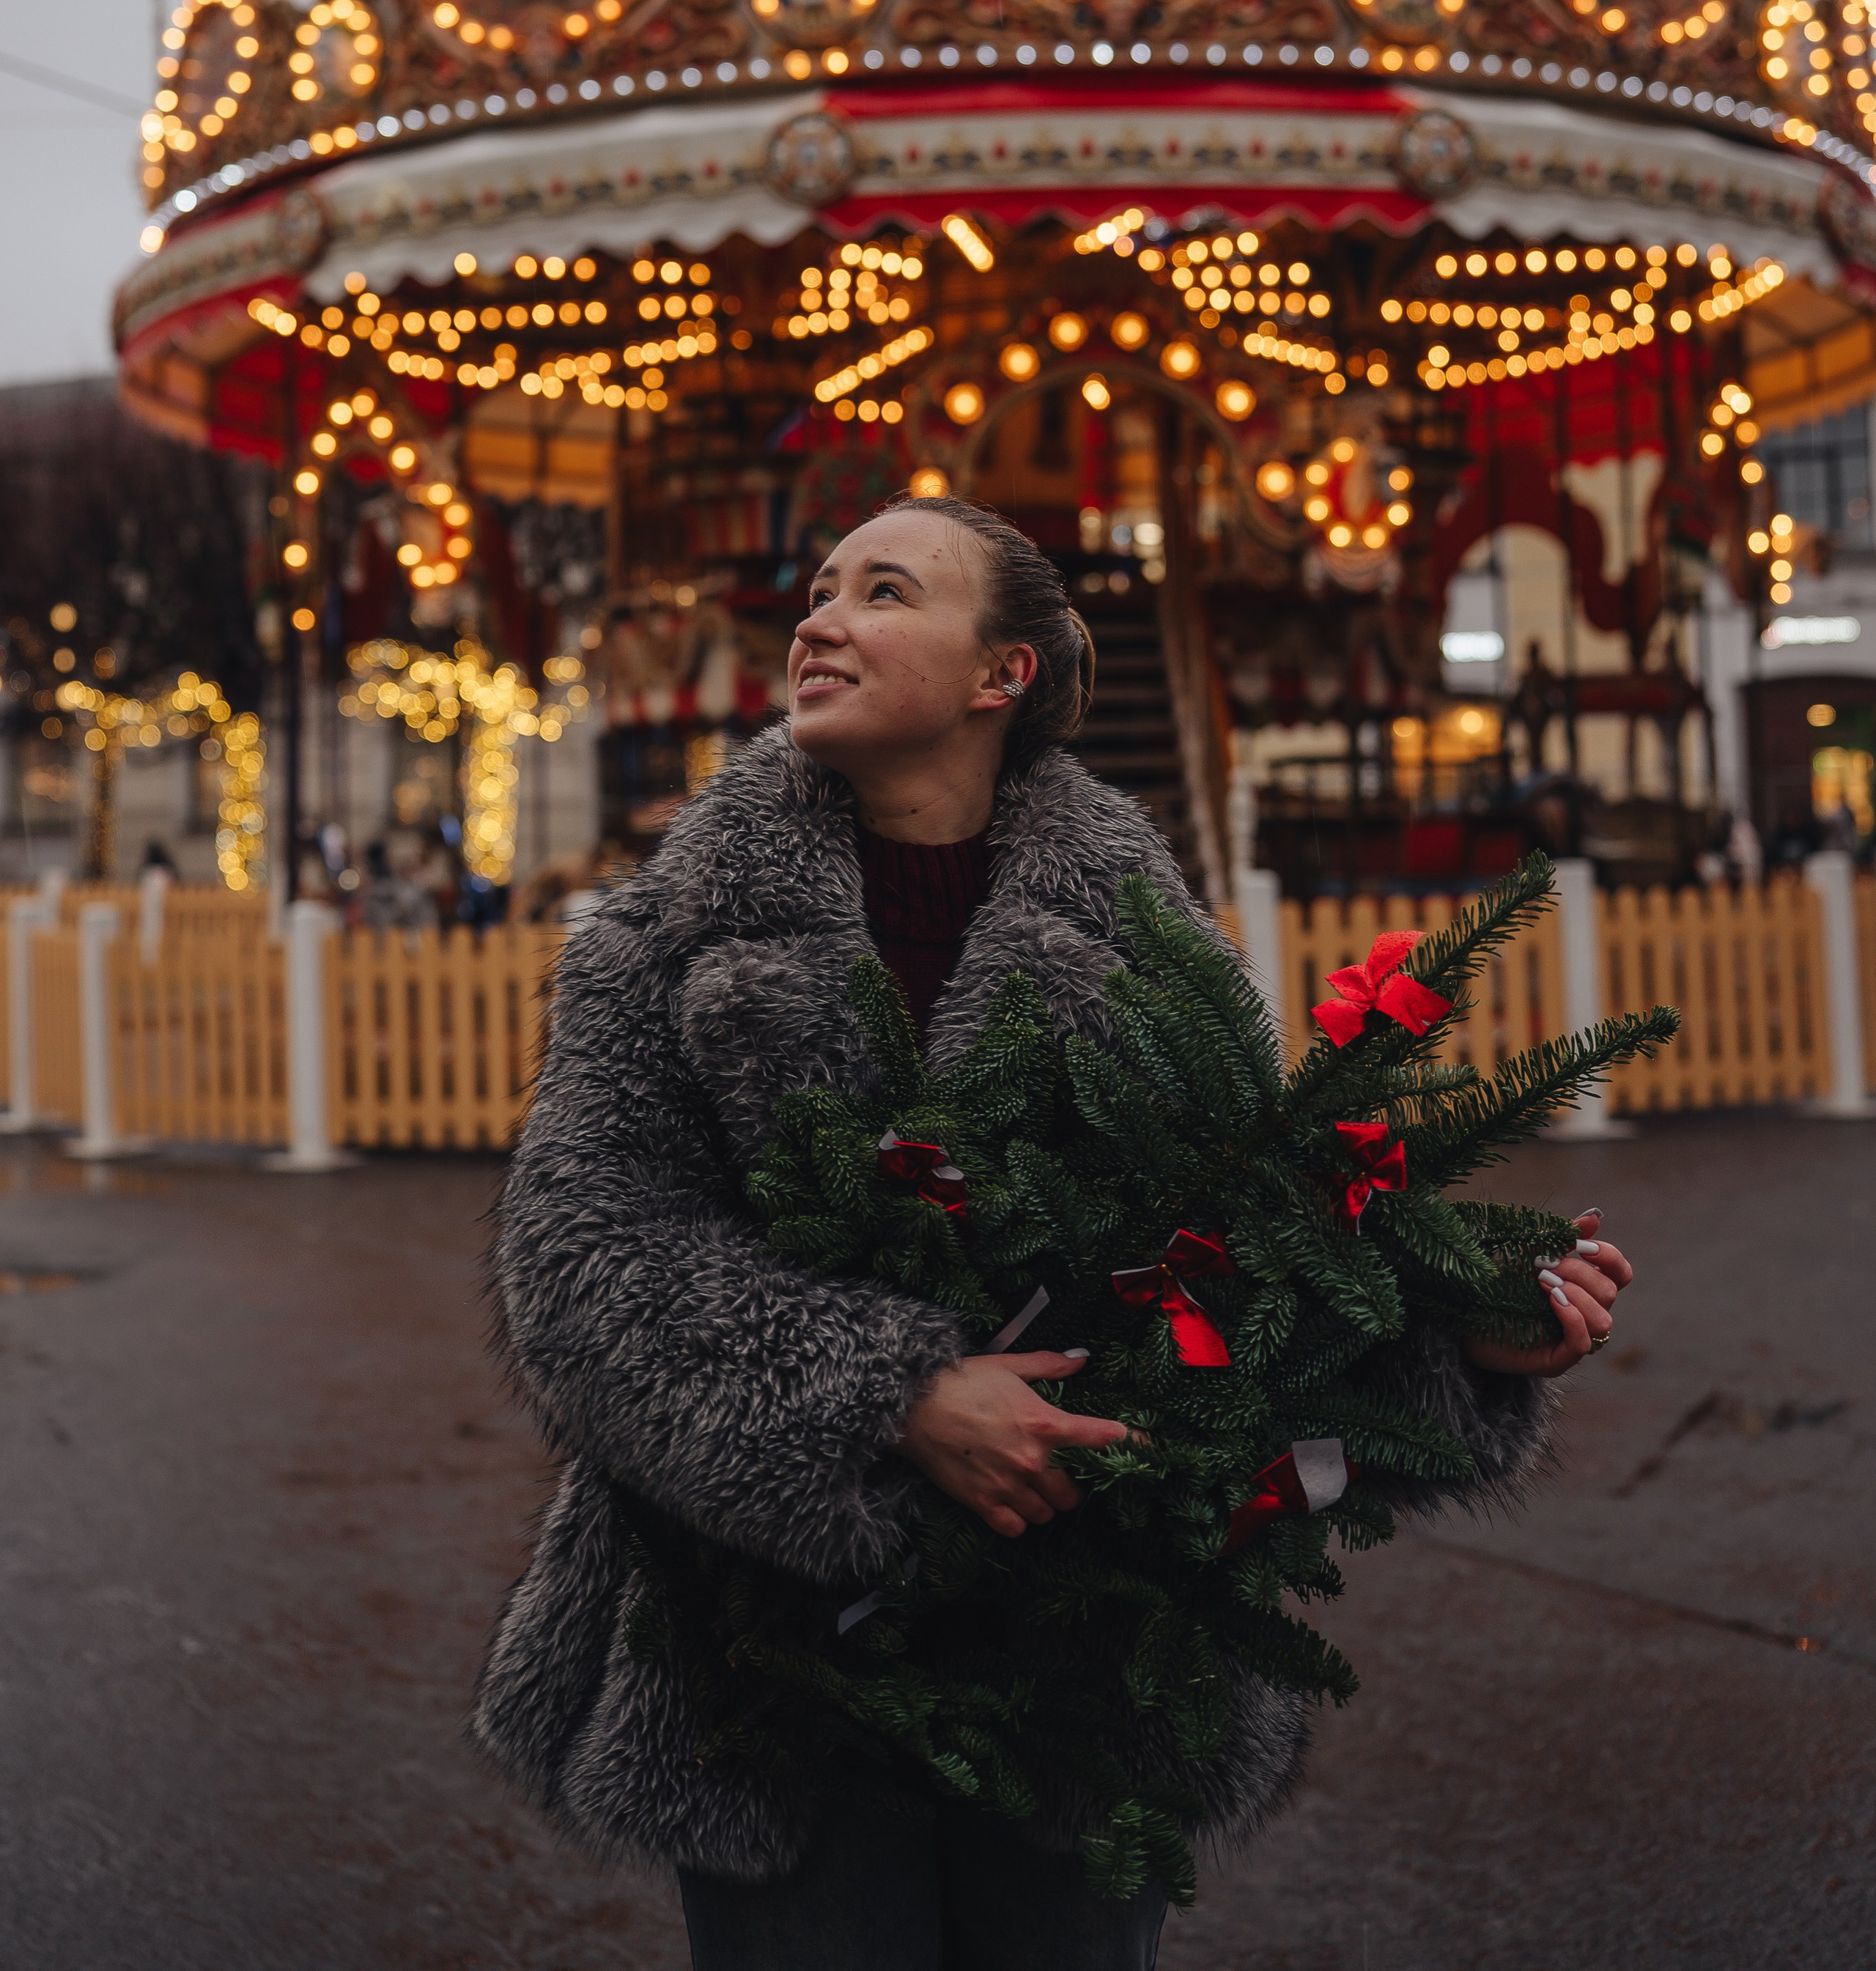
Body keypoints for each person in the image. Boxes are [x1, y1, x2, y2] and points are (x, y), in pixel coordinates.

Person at [473, 496, 1631, 1970]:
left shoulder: (1154, 958)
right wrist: (889, 1395)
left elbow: (1243, 1250)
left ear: (998, 676)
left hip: (1084, 1644)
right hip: (765, 1652)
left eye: (882, 592)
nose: (816, 620)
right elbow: (583, 1270)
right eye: (818, 590)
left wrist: (1456, 1335)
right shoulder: (654, 950)